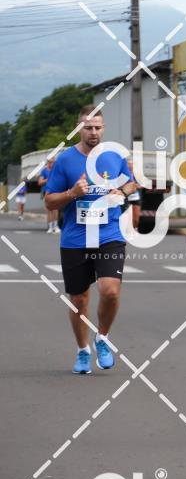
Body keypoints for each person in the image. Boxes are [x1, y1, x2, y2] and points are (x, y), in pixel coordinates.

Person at [44, 105, 138, 375]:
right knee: (79, 300)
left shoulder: (113, 155)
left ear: (103, 129)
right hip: (76, 239)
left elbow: (132, 183)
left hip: (109, 234)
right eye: (88, 127)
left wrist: (121, 191)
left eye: (97, 127)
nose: (93, 132)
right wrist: (72, 193)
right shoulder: (65, 160)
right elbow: (49, 200)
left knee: (110, 291)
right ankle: (83, 350)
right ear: (79, 129)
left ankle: (102, 338)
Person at [38, 157, 60, 233]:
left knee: (55, 209)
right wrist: (48, 179)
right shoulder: (44, 171)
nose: (51, 164)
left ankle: (55, 226)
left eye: (53, 162)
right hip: (47, 191)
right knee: (49, 209)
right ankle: (50, 227)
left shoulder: (57, 170)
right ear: (47, 162)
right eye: (50, 162)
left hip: (56, 191)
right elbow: (40, 182)